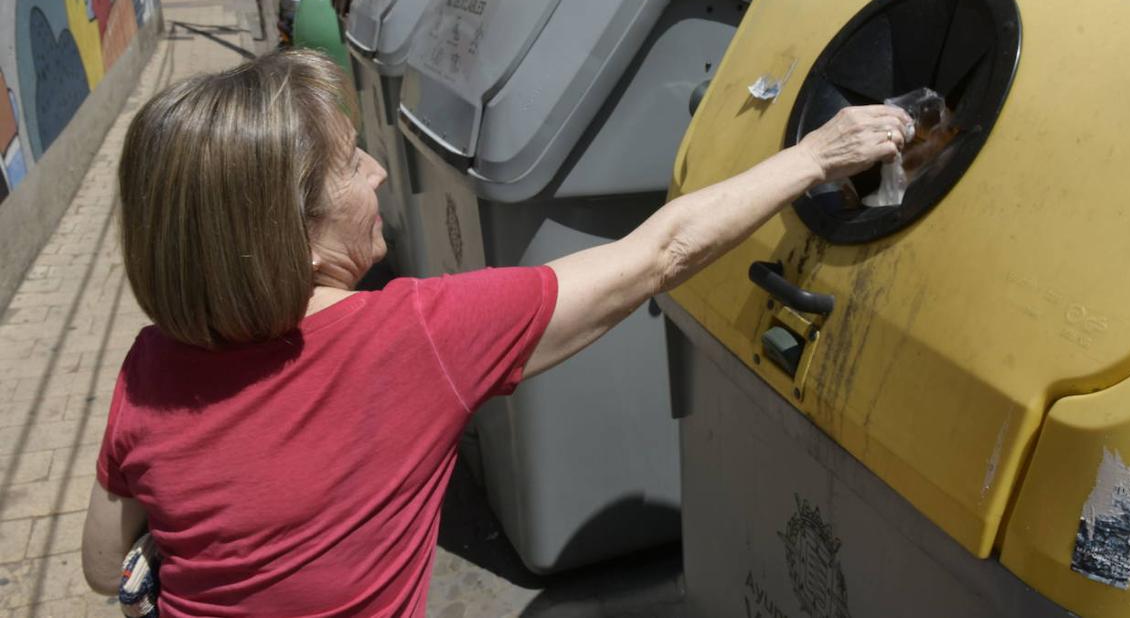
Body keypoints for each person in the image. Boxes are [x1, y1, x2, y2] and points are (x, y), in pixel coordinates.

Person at [80, 50, 911, 615]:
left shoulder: (148, 366)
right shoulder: (415, 340)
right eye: (348, 164)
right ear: (284, 232)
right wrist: (814, 157)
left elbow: (97, 564)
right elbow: (659, 253)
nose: (376, 170)